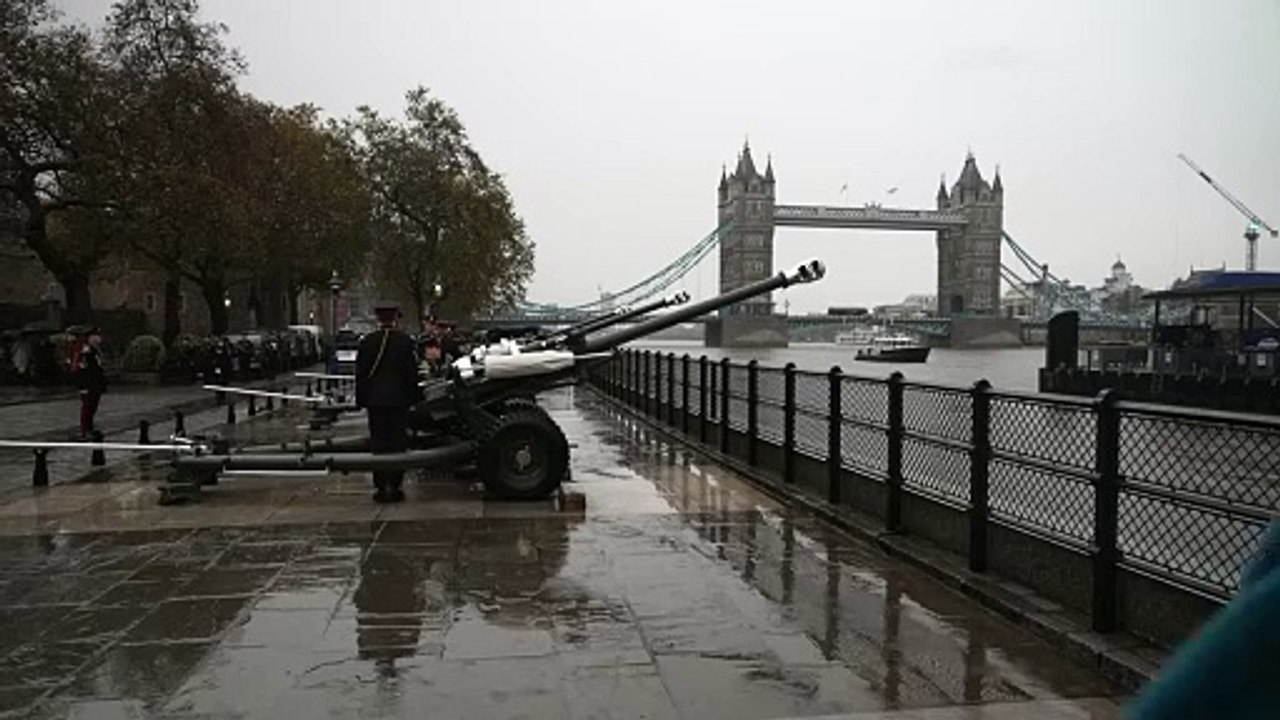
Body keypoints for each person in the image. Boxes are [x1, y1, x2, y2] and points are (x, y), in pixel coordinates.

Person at [354, 301, 421, 503]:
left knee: (379, 443)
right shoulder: (405, 341)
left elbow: (361, 374)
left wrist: (361, 399)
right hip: (399, 400)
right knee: (397, 443)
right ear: (395, 317)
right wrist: (414, 398)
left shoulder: (368, 341)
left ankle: (381, 486)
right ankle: (396, 484)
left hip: (375, 400)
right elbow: (410, 373)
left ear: (378, 318)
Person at [74, 327, 107, 439]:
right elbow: (82, 369)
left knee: (92, 407)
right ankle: (85, 430)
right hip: (88, 384)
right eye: (94, 336)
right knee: (87, 408)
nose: (97, 338)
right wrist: (83, 386)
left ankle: (90, 428)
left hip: (95, 384)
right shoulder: (86, 352)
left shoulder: (95, 350)